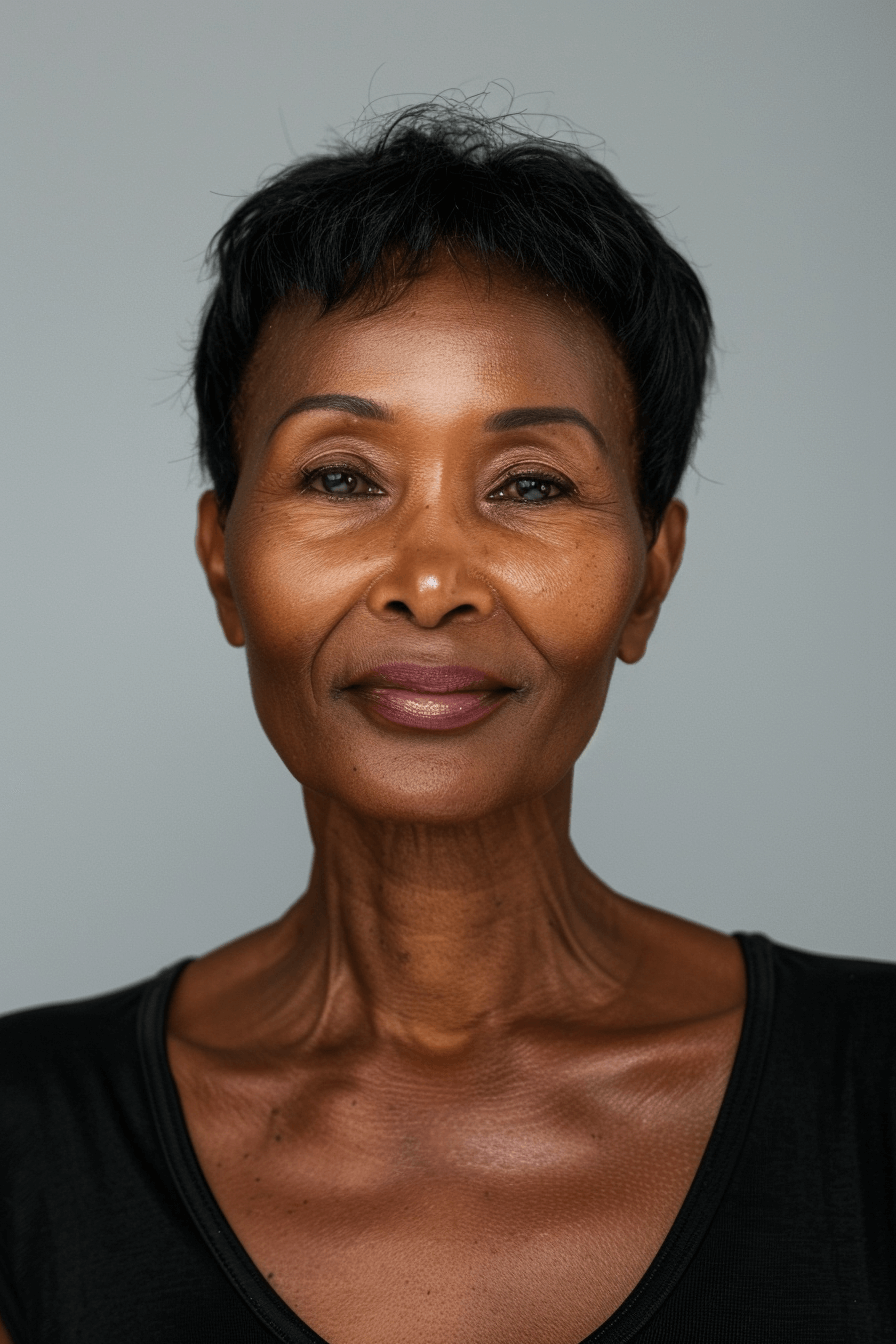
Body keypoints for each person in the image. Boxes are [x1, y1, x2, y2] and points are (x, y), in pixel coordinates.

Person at [0, 102, 893, 1344]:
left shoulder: (873, 1096)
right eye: (340, 476)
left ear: (649, 576)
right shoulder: (24, 1142)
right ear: (221, 563)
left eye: (529, 485)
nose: (430, 580)